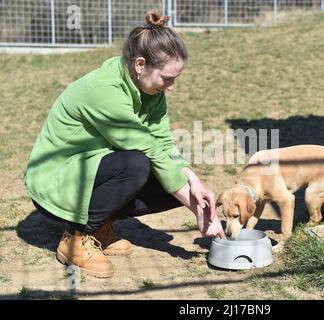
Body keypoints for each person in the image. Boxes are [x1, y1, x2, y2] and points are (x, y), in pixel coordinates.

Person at [24, 11, 226, 278]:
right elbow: (148, 147)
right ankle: (76, 237)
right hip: (56, 181)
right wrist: (197, 209)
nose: (172, 87)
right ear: (140, 64)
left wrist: (195, 183)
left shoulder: (150, 90)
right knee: (138, 164)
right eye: (167, 78)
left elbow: (164, 143)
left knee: (173, 180)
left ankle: (98, 226)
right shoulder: (103, 89)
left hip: (95, 170)